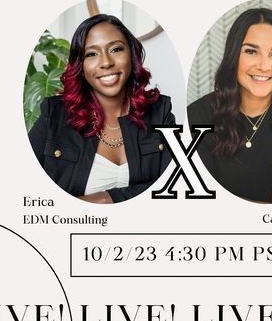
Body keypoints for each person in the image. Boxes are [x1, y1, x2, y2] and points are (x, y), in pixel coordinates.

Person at [29, 14, 174, 204]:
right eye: (91, 54)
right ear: (80, 66)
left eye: (115, 49)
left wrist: (108, 198)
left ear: (132, 55)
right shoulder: (54, 115)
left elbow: (174, 185)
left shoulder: (159, 112)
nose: (106, 62)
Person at [187, 8, 272, 203]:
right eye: (251, 51)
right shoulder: (197, 115)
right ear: (233, 56)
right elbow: (202, 200)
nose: (263, 65)